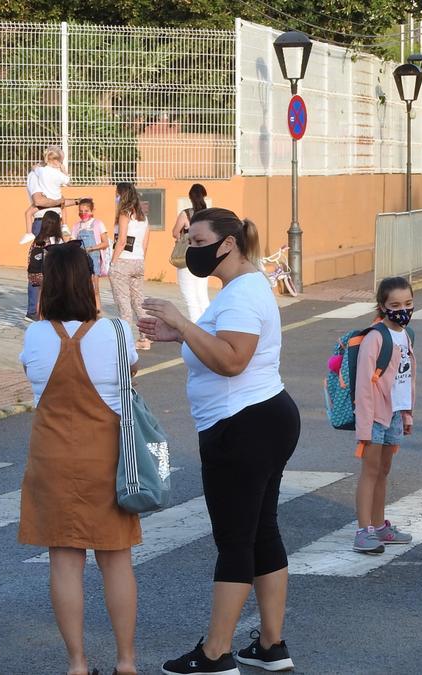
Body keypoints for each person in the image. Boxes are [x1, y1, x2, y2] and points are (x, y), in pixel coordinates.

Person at [137, 207, 301, 675]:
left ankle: (215, 653)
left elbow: (232, 361)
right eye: (189, 239)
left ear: (226, 244)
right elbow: (221, 344)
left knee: (235, 540)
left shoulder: (242, 294)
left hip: (243, 424)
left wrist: (184, 324)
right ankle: (270, 645)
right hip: (258, 418)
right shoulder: (240, 287)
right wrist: (180, 336)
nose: (191, 248)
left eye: (197, 239)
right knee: (261, 531)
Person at [18, 242, 142, 675]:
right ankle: (125, 661)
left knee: (65, 561)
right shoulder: (117, 333)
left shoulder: (34, 335)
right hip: (105, 459)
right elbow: (131, 372)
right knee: (116, 559)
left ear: (48, 283)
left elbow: (33, 375)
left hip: (51, 459)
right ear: (90, 282)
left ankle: (77, 663)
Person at [352, 277, 416, 554]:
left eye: (408, 303)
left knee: (384, 471)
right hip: (374, 417)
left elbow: (407, 378)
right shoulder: (376, 337)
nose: (403, 309)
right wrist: (364, 428)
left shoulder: (407, 335)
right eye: (396, 305)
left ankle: (380, 526)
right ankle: (363, 530)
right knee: (370, 471)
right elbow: (364, 386)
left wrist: (407, 415)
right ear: (382, 306)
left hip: (394, 414)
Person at [110, 182, 152, 351]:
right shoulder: (143, 217)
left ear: (122, 195)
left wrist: (113, 262)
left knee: (123, 304)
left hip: (123, 261)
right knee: (139, 301)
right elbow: (146, 243)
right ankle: (145, 338)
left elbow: (121, 241)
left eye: (117, 194)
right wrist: (140, 259)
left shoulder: (124, 214)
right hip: (138, 261)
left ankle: (125, 342)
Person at [24, 146, 80, 244]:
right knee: (46, 255)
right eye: (60, 162)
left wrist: (77, 201)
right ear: (54, 161)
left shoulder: (44, 173)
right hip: (44, 221)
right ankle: (29, 233)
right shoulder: (35, 175)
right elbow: (39, 201)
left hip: (56, 220)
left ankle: (64, 226)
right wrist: (59, 201)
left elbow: (56, 200)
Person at [173, 184, 212, 323]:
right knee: (202, 294)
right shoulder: (208, 215)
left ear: (190, 197)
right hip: (205, 258)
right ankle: (208, 326)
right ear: (204, 196)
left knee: (190, 297)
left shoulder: (186, 214)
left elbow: (175, 232)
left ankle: (197, 328)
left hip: (188, 258)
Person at [26, 212, 66, 321]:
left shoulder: (38, 239)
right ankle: (49, 320)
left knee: (40, 296)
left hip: (37, 273)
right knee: (52, 298)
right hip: (51, 274)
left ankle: (39, 319)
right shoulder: (57, 240)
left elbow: (31, 256)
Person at [75, 198, 109, 313]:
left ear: (92, 210)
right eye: (81, 211)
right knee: (80, 288)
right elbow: (72, 241)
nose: (83, 214)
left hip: (93, 259)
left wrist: (91, 248)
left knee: (94, 288)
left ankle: (97, 311)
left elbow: (105, 243)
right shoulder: (76, 226)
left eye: (86, 211)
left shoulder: (98, 224)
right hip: (80, 260)